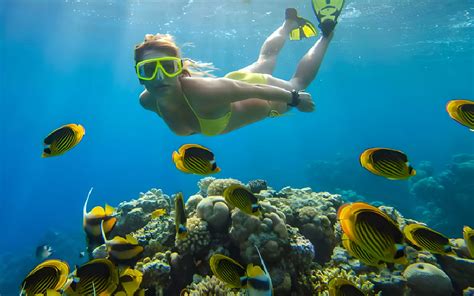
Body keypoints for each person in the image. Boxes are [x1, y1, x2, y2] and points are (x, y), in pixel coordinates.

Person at [134, 1, 345, 136]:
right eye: (148, 69)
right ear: (139, 76)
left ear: (179, 70)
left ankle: (326, 35)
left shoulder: (204, 92)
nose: (159, 76)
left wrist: (295, 98)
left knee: (298, 83)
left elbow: (255, 90)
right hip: (233, 82)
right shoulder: (147, 101)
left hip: (262, 97)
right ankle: (289, 22)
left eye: (168, 67)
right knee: (265, 59)